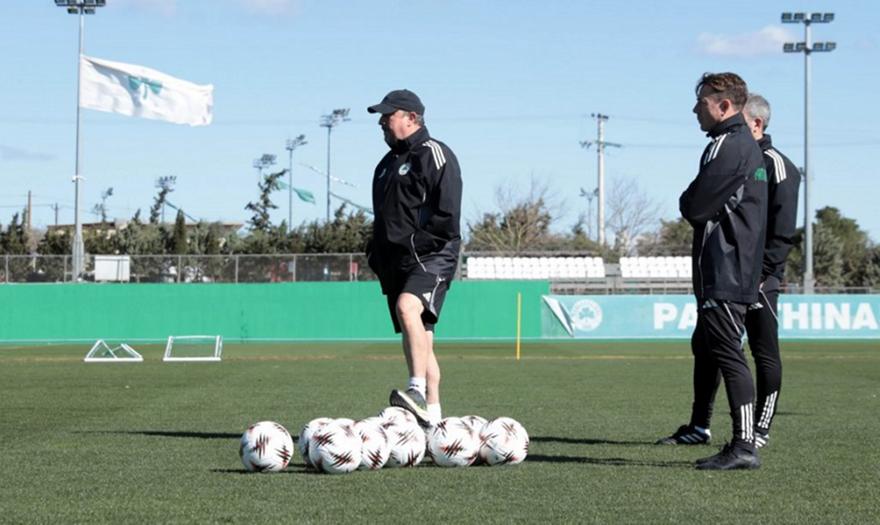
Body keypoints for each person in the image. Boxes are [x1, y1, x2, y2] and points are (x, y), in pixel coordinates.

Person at [660, 72, 768, 470]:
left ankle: (744, 445)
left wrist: (688, 198)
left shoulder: (730, 145)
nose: (695, 109)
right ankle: (703, 427)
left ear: (724, 106)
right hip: (731, 267)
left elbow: (695, 206)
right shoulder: (740, 144)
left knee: (727, 351)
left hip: (726, 269)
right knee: (707, 347)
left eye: (702, 103)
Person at [365, 89, 462, 427]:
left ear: (411, 117)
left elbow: (447, 213)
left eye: (387, 115)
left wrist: (419, 244)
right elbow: (383, 218)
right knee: (421, 338)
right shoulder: (384, 166)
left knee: (407, 307)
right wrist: (376, 252)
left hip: (432, 254)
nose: (381, 122)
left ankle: (416, 391)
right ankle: (434, 419)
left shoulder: (435, 154)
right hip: (395, 262)